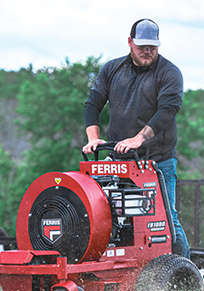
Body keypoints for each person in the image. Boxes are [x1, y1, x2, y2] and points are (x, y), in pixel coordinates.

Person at [82, 18, 191, 259]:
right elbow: (92, 104)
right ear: (130, 43)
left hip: (156, 161)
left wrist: (139, 138)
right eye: (142, 46)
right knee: (99, 210)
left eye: (153, 46)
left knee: (166, 219)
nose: (148, 51)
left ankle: (184, 274)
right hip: (120, 159)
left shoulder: (169, 73)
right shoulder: (112, 70)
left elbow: (167, 111)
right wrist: (93, 138)